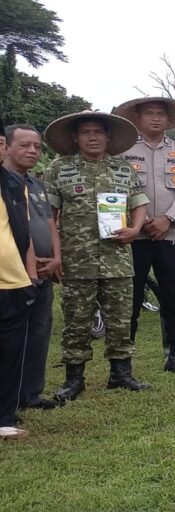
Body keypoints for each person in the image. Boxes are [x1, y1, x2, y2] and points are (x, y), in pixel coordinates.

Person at [42, 111, 152, 400]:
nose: (93, 137)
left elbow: (140, 202)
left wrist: (135, 228)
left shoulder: (123, 168)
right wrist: (55, 254)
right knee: (77, 321)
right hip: (76, 260)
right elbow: (48, 216)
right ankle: (73, 379)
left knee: (120, 319)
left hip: (117, 258)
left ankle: (121, 374)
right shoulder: (59, 169)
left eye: (98, 132)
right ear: (75, 137)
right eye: (86, 132)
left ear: (108, 137)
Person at [114, 96, 175, 373]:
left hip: (171, 236)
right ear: (137, 118)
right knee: (131, 299)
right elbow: (116, 189)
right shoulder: (122, 150)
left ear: (168, 119)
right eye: (149, 113)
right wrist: (143, 220)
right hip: (134, 237)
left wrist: (168, 219)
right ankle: (124, 364)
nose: (155, 118)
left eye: (160, 114)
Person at [4, 124, 63, 410]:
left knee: (39, 331)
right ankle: (10, 398)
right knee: (12, 336)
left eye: (37, 146)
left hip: (44, 270)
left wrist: (56, 257)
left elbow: (50, 223)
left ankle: (31, 393)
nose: (32, 151)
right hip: (13, 275)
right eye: (24, 145)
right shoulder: (5, 184)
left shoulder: (36, 185)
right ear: (7, 146)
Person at [0, 116, 38, 439]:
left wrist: (29, 278)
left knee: (11, 353)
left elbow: (22, 234)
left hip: (13, 283)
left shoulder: (15, 185)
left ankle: (4, 418)